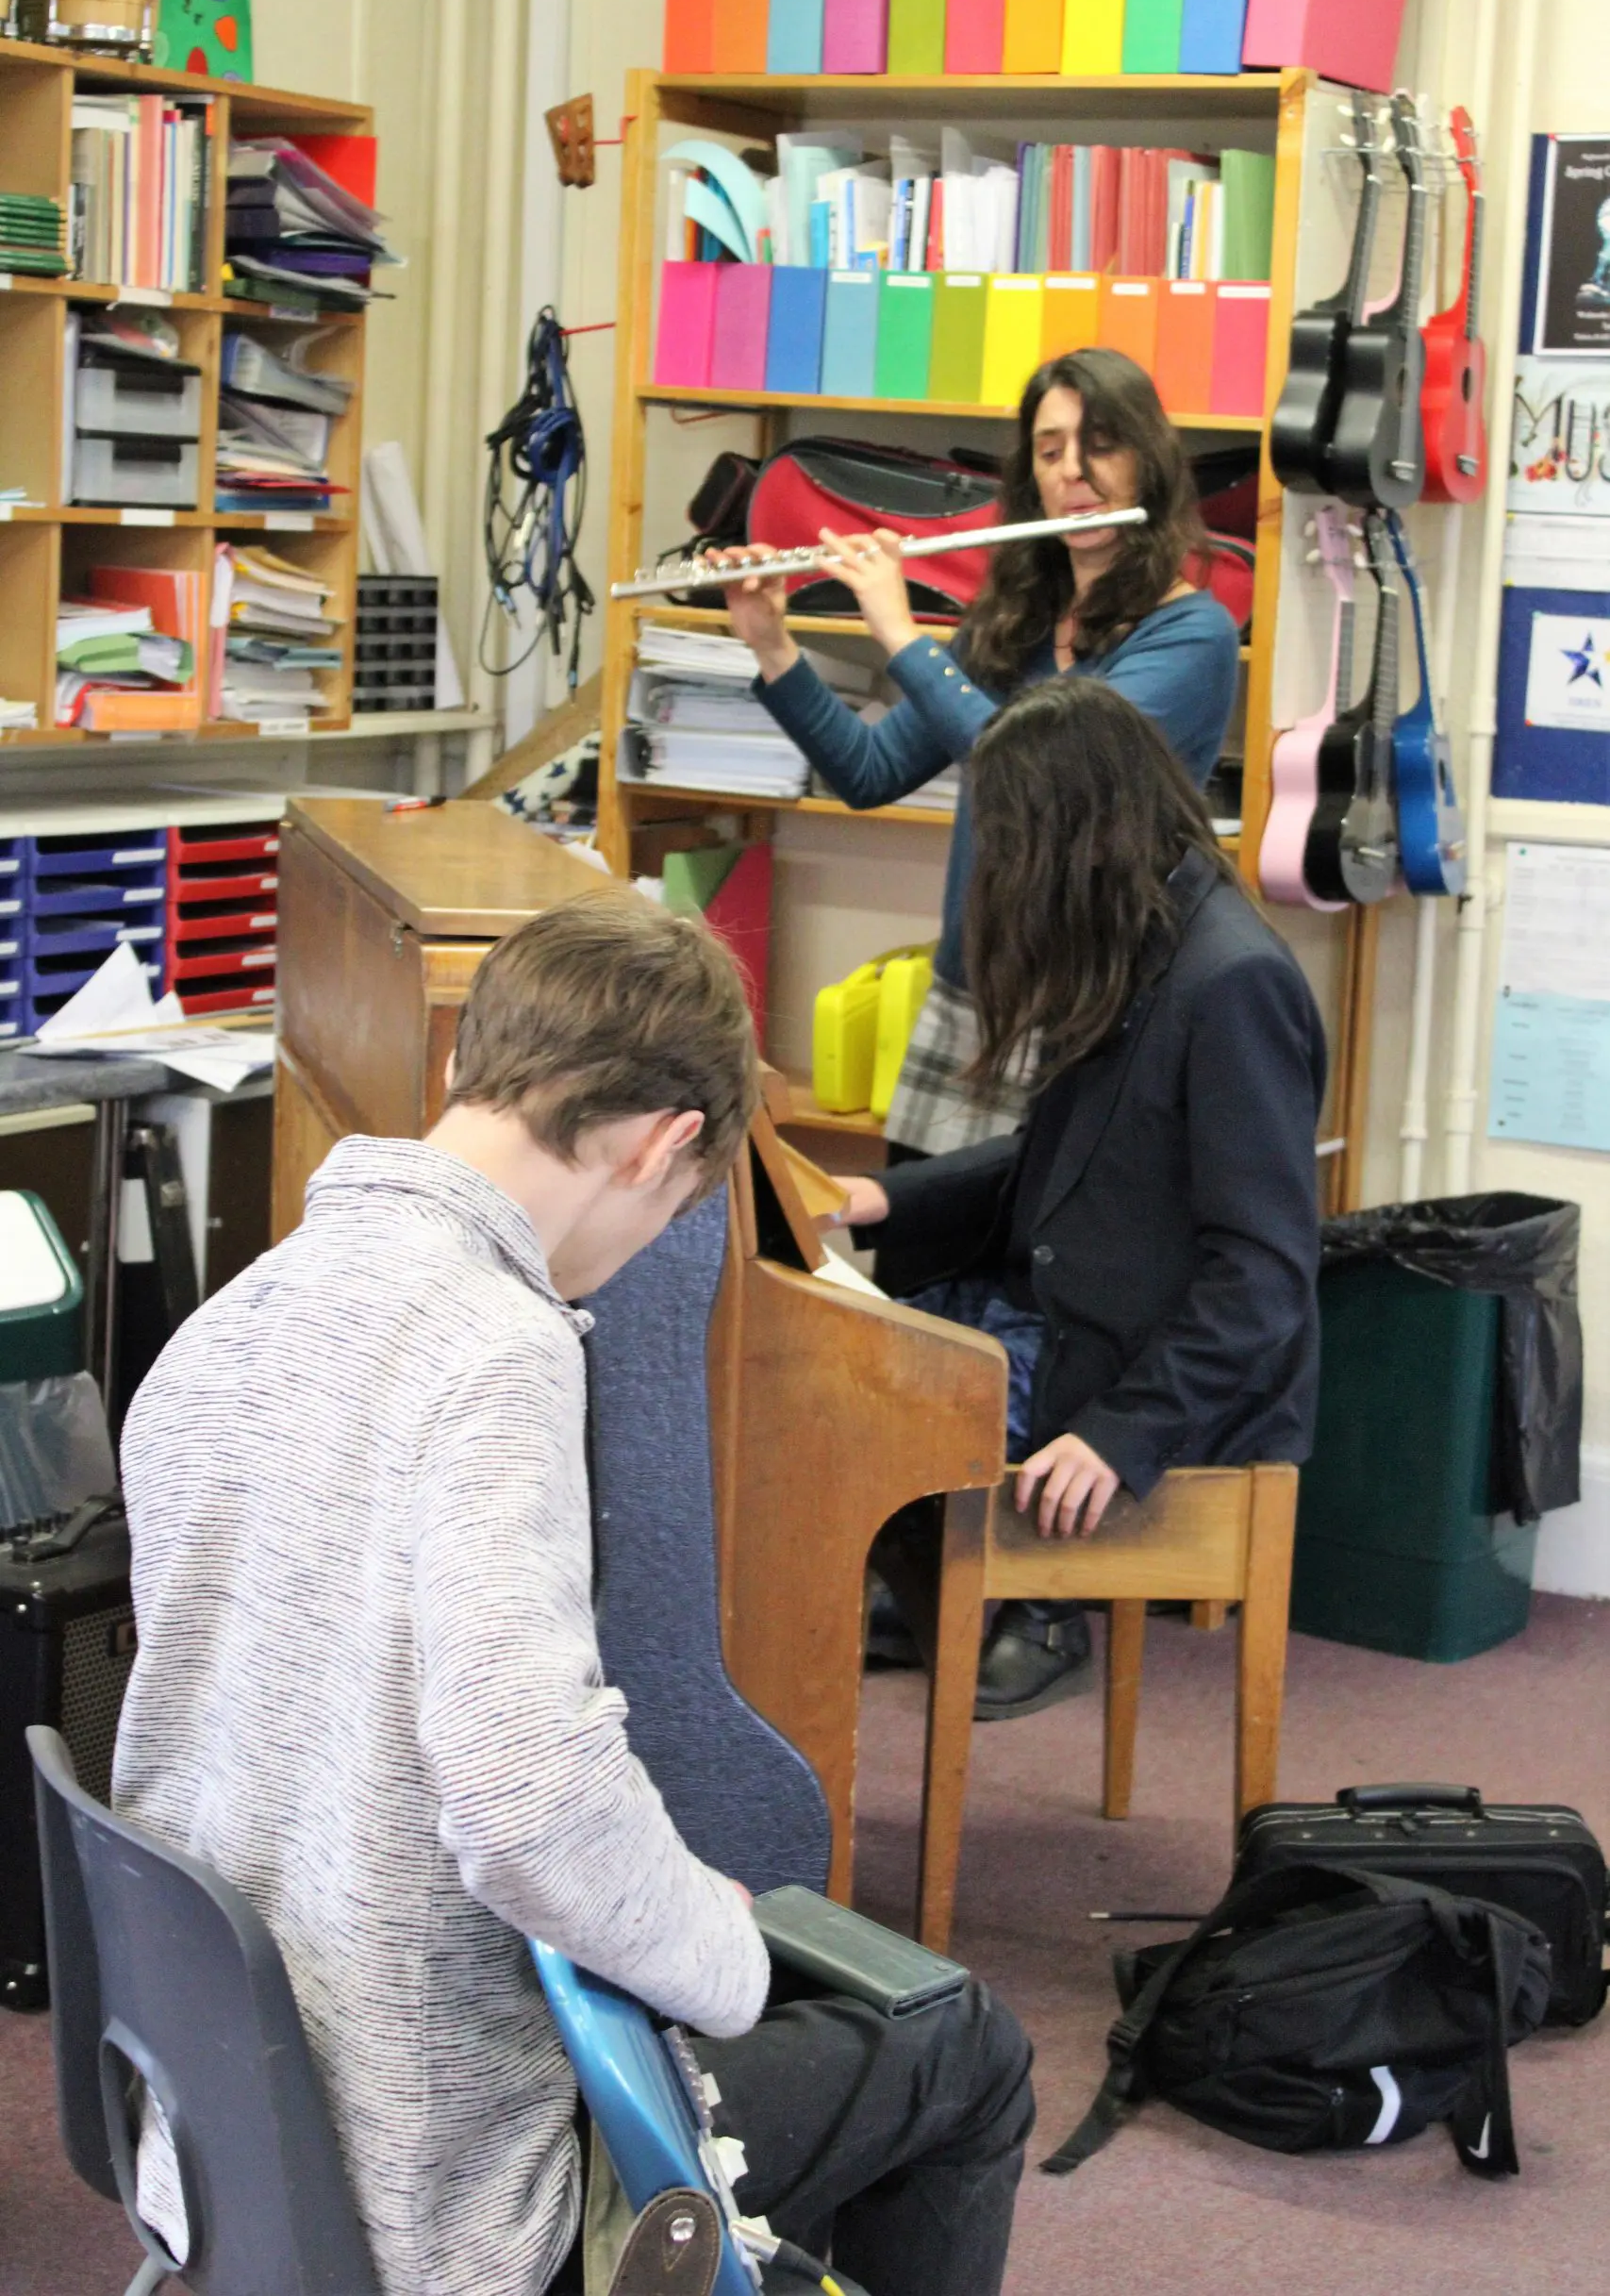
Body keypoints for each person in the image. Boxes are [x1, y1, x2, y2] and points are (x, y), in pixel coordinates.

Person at [110, 898, 1034, 2296]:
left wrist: (653, 1887)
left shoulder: (224, 1324)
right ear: (666, 1145)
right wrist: (715, 1949)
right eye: (681, 1205)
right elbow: (528, 1808)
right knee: (960, 2048)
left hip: (216, 2121)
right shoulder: (496, 1349)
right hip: (428, 2174)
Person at [835, 679, 1327, 1720]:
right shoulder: (1139, 940)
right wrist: (874, 1199)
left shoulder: (1232, 983)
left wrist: (1121, 1432)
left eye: (1009, 839)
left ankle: (1006, 1602)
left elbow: (1266, 1274)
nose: (1000, 870)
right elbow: (1048, 1161)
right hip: (1064, 1322)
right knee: (818, 1369)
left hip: (1146, 1382)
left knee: (836, 1404)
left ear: (1073, 833)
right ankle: (928, 1576)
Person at [722, 346, 1242, 1157]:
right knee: (925, 1262)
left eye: (1100, 443)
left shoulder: (1189, 634)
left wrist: (899, 634)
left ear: (1148, 461)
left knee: (1046, 1276)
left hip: (1102, 1014)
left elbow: (1050, 779)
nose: (1075, 470)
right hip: (973, 998)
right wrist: (772, 646)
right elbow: (867, 773)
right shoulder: (1010, 627)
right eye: (1050, 449)